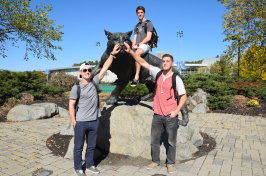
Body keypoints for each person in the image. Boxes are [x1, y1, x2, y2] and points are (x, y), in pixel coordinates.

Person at [124, 42, 187, 174]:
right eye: (163, 61)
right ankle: (155, 161)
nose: (164, 63)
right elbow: (141, 61)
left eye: (167, 61)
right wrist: (130, 51)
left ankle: (170, 163)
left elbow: (183, 96)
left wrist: (176, 112)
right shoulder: (157, 73)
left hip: (171, 115)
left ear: (171, 63)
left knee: (171, 141)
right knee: (155, 140)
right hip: (157, 114)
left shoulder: (176, 78)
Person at [69, 44, 120, 176]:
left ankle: (90, 165)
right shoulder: (76, 87)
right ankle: (78, 167)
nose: (87, 72)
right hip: (81, 122)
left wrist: (112, 55)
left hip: (94, 121)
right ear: (80, 73)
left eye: (89, 70)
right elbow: (71, 105)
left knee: (91, 146)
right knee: (78, 147)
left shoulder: (95, 82)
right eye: (84, 70)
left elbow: (105, 67)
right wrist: (74, 121)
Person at [131, 5, 153, 87]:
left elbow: (148, 37)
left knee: (137, 53)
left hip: (146, 45)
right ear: (136, 14)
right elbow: (135, 37)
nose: (140, 14)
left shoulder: (148, 23)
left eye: (141, 12)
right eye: (138, 13)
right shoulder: (136, 26)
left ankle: (136, 78)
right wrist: (132, 46)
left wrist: (138, 45)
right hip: (137, 45)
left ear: (144, 13)